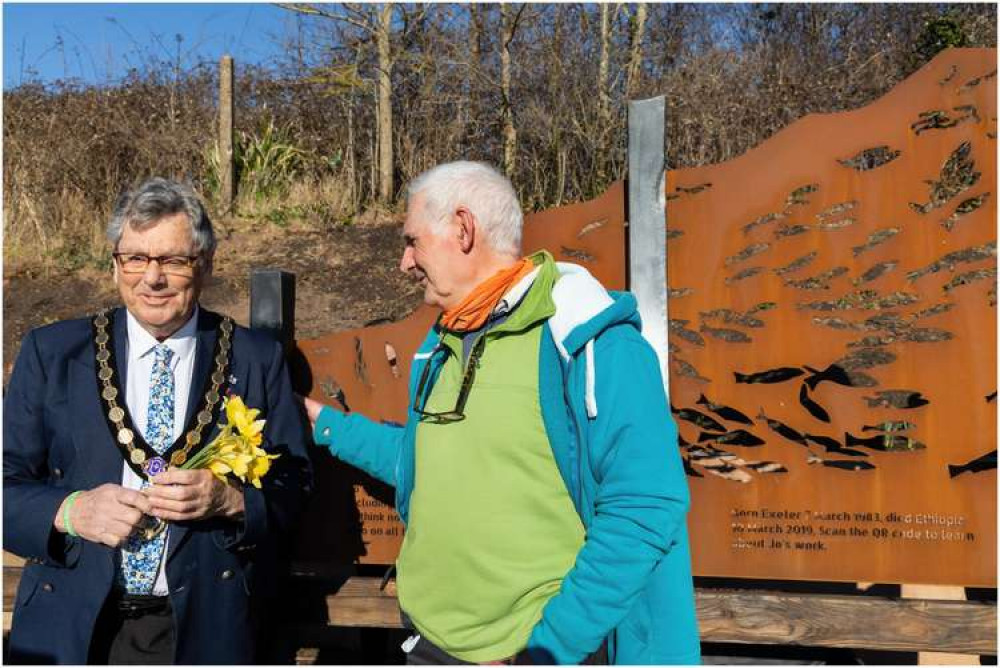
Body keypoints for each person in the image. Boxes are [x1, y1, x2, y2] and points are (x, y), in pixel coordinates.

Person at [304, 161, 700, 664]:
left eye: (413, 241)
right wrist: (327, 425)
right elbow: (424, 460)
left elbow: (645, 507)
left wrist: (549, 649)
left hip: (536, 654)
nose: (405, 263)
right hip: (428, 644)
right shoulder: (443, 344)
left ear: (463, 228)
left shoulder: (589, 341)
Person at [3, 177, 312, 664]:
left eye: (173, 260)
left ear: (205, 265)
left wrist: (231, 501)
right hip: (74, 628)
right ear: (115, 265)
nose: (152, 278)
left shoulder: (255, 358)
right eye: (136, 258)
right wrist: (70, 511)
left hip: (205, 628)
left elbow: (294, 488)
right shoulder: (53, 353)